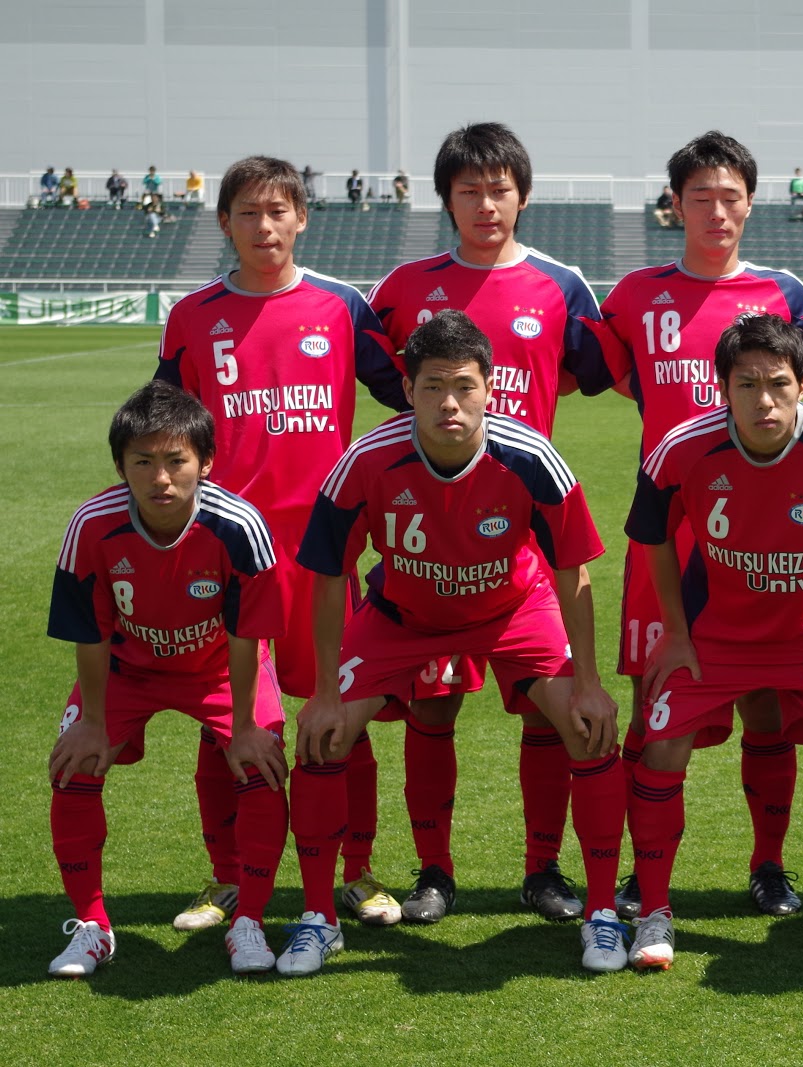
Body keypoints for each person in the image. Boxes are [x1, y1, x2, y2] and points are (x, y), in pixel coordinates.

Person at [290, 309, 626, 976]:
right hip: (405, 615)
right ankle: (318, 918)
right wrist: (325, 692)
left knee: (588, 728)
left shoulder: (532, 458)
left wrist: (589, 683)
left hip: (512, 607)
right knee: (324, 736)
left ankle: (602, 912)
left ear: (490, 388)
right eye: (433, 386)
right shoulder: (366, 461)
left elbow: (573, 570)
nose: (450, 402)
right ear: (407, 389)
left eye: (465, 386)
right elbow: (328, 576)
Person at [156, 155, 412, 935]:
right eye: (248, 212)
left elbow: (412, 394)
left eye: (278, 211)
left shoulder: (341, 306)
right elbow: (164, 430)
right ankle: (230, 876)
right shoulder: (193, 316)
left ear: (301, 217)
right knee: (230, 723)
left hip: (323, 553)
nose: (264, 226)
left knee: (342, 717)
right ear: (225, 222)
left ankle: (355, 871)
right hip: (230, 556)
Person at [366, 121, 614, 923]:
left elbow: (588, 369)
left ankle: (543, 869)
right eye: (468, 190)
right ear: (446, 199)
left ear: (523, 196)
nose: (485, 204)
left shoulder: (560, 285)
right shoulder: (405, 286)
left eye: (499, 189)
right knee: (434, 704)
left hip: (525, 530)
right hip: (431, 533)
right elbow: (377, 371)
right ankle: (434, 872)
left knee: (547, 704)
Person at [594, 131, 803, 920]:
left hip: (763, 535)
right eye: (701, 198)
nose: (717, 212)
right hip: (667, 530)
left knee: (766, 702)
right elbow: (613, 373)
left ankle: (770, 864)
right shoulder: (635, 295)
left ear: (751, 204)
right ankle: (643, 871)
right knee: (655, 702)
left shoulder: (785, 294)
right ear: (676, 205)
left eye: (731, 197)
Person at [623, 314, 803, 973]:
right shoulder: (681, 448)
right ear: (722, 388)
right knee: (662, 745)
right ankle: (655, 910)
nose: (764, 400)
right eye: (746, 384)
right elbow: (654, 537)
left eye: (778, 383)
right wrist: (675, 631)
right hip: (711, 634)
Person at [46, 382, 290, 978]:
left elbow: (247, 637)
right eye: (143, 461)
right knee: (74, 766)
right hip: (128, 669)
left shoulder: (239, 525)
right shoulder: (92, 525)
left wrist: (244, 726)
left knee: (260, 765)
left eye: (176, 460)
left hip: (218, 669)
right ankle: (93, 927)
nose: (161, 478)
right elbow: (90, 633)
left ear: (205, 462)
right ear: (120, 467)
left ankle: (249, 921)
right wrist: (93, 724)